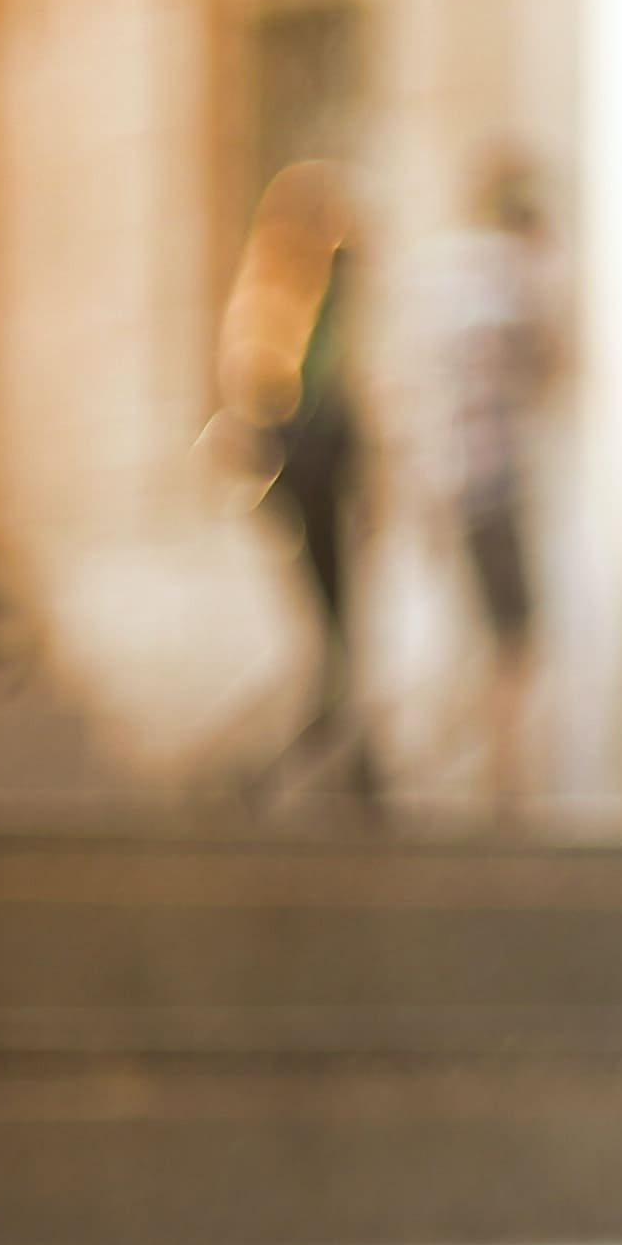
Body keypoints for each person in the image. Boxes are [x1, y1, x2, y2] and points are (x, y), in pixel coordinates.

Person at [396, 146, 565, 819]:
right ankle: (500, 780)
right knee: (513, 637)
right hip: (491, 479)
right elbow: (546, 364)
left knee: (462, 629)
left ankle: (458, 775)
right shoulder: (508, 274)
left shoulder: (437, 273)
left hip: (437, 475)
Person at [215, 158, 373, 809]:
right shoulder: (277, 296)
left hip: (325, 472)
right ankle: (318, 763)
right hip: (303, 471)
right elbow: (262, 388)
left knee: (338, 629)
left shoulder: (323, 296)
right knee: (325, 630)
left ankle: (355, 765)